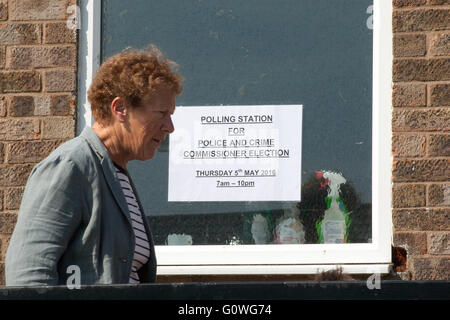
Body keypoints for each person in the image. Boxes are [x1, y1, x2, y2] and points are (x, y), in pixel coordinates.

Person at [5, 46, 183, 286]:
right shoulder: (70, 166)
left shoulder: (115, 173)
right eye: (162, 113)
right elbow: (28, 276)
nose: (170, 127)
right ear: (120, 108)